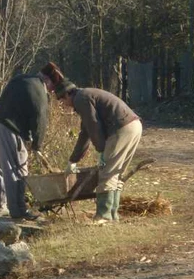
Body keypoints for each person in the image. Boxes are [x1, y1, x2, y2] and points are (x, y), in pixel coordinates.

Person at [54, 79, 142, 224]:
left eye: (62, 101)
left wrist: (101, 150)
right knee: (116, 173)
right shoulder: (85, 95)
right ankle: (113, 216)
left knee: (106, 173)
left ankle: (104, 216)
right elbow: (85, 132)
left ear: (67, 95)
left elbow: (94, 127)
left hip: (122, 128)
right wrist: (73, 160)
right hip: (134, 125)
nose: (64, 105)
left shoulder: (81, 99)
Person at [0, 63, 64, 220]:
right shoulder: (39, 91)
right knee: (17, 170)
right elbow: (40, 120)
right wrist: (37, 145)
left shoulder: (22, 78)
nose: (51, 91)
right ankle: (19, 210)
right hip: (8, 128)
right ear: (48, 81)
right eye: (52, 88)